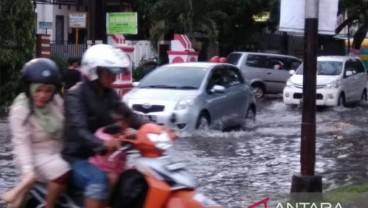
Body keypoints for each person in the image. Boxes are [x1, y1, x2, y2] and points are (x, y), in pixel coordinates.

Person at [62, 44, 147, 208]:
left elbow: (129, 115)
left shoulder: (108, 93)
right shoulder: (75, 95)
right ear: (94, 71)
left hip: (104, 155)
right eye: (109, 72)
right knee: (98, 179)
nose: (113, 77)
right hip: (78, 156)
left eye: (114, 72)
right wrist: (101, 143)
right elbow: (78, 130)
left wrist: (156, 128)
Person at [1, 58, 71, 208]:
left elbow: (70, 122)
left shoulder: (56, 101)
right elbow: (21, 143)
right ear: (29, 89)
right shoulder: (21, 109)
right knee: (62, 170)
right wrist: (28, 171)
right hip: (34, 155)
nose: (43, 95)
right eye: (38, 90)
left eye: (48, 90)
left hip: (57, 151)